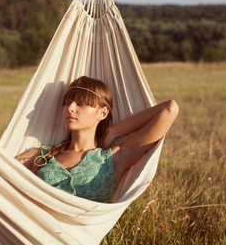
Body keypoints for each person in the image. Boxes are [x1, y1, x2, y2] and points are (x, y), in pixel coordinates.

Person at [17, 76, 178, 202]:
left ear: (103, 113)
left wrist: (114, 131)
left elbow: (169, 109)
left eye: (81, 103)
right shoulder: (42, 155)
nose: (70, 108)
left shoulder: (114, 159)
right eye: (67, 103)